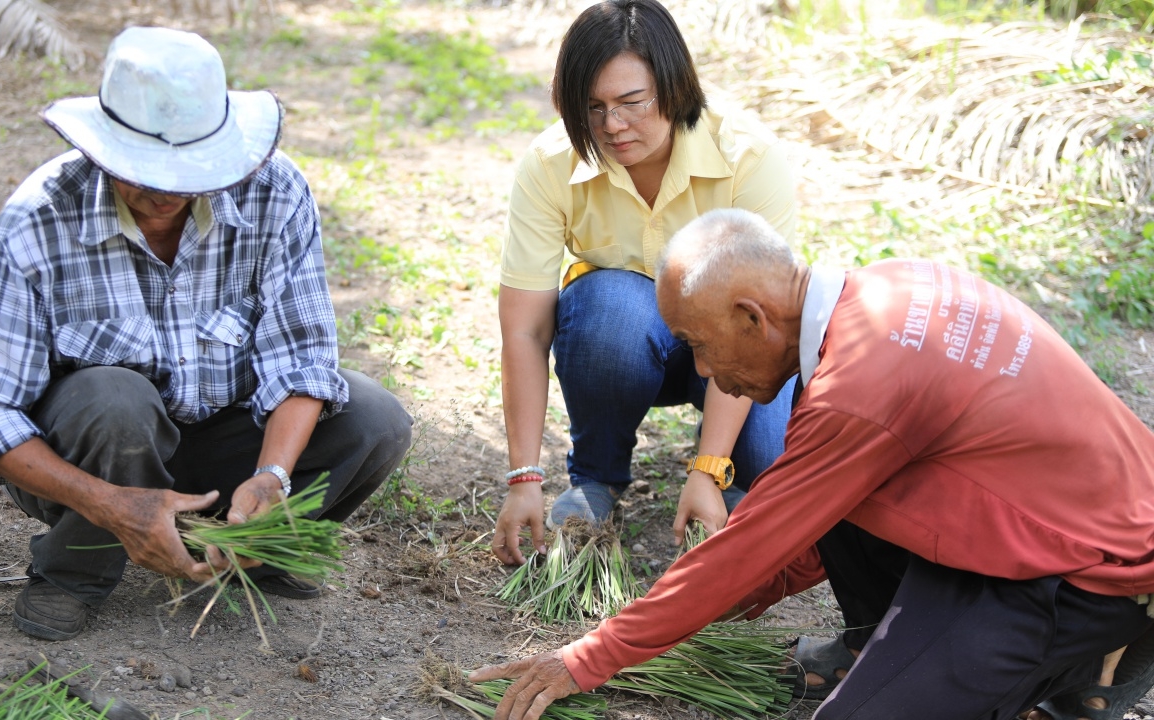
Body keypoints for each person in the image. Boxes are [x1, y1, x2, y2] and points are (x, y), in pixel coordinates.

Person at [471, 208, 1154, 720]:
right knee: (818, 479)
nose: (704, 372)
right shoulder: (884, 292)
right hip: (1046, 523)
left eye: (700, 346)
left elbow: (749, 544)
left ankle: (1076, 665)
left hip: (1085, 575)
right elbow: (816, 513)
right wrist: (760, 584)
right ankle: (891, 647)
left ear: (753, 317)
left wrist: (590, 657)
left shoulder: (862, 385)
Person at [0, 26, 413, 642]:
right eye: (140, 171)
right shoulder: (38, 221)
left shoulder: (275, 193)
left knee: (375, 419)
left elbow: (301, 357)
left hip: (224, 438)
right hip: (99, 457)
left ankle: (247, 543)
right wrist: (112, 503)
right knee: (113, 399)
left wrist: (272, 475)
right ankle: (73, 571)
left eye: (186, 172)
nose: (163, 193)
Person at [491, 0, 798, 567]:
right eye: (593, 108)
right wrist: (523, 477)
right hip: (627, 346)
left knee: (767, 466)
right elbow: (525, 330)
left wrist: (709, 468)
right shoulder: (550, 164)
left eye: (631, 103)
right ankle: (597, 479)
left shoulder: (748, 158)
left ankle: (725, 480)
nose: (611, 126)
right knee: (608, 305)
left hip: (739, 352)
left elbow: (765, 323)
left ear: (675, 86)